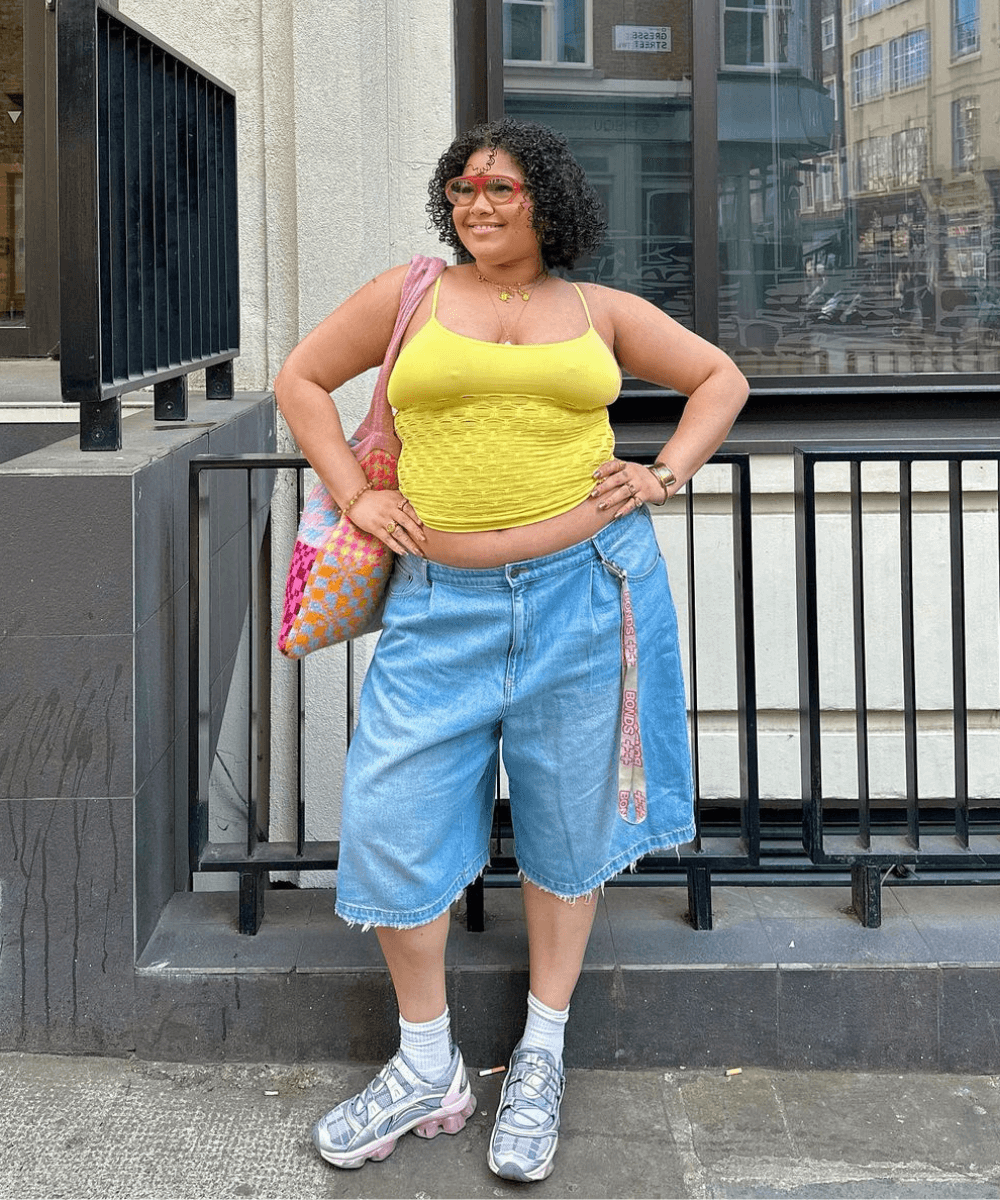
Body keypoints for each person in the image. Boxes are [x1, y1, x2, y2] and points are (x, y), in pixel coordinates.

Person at [274, 117, 748, 1184]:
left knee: (568, 832)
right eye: (460, 190)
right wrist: (355, 492)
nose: (476, 207)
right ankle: (427, 1066)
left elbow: (719, 379)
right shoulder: (410, 295)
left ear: (548, 201)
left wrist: (660, 473)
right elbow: (301, 380)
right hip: (439, 608)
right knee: (392, 821)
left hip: (588, 595)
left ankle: (540, 1052)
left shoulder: (601, 311)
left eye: (500, 189)